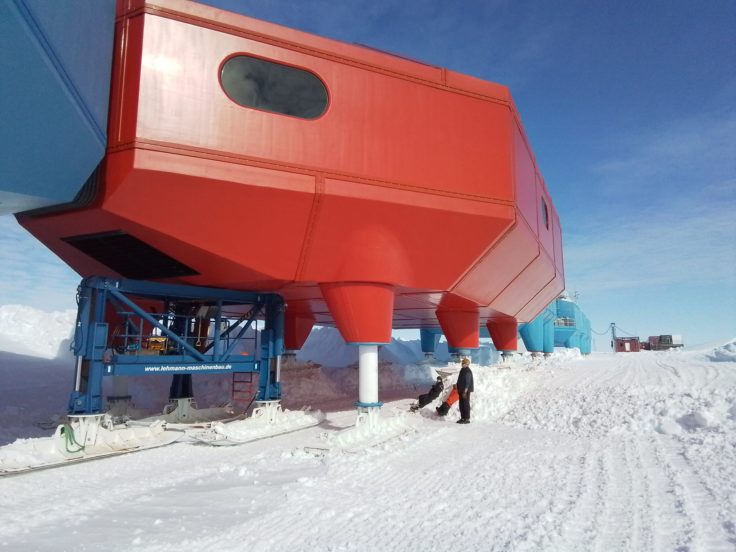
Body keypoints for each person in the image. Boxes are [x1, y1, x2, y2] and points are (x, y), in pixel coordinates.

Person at [456, 357, 474, 424]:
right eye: (462, 363)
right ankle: (462, 418)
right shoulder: (462, 370)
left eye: (464, 363)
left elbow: (468, 382)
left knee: (465, 404)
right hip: (461, 390)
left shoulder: (467, 371)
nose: (462, 364)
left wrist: (465, 391)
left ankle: (467, 418)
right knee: (461, 404)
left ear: (467, 364)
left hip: (465, 391)